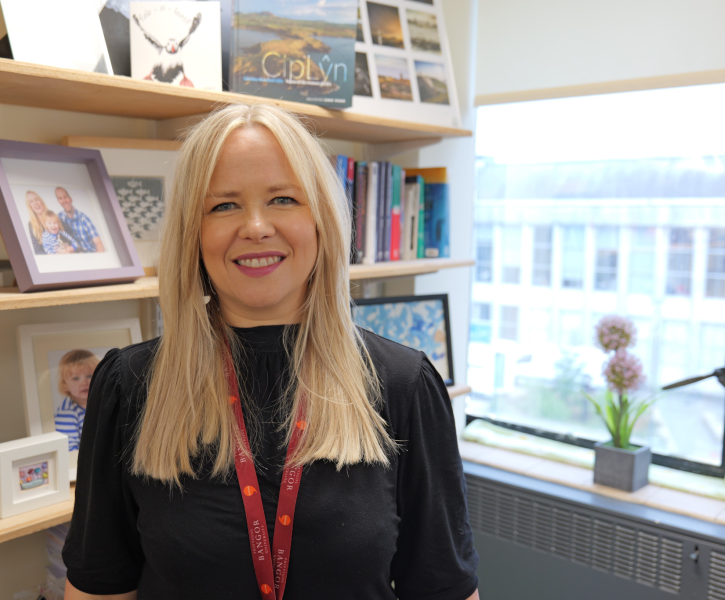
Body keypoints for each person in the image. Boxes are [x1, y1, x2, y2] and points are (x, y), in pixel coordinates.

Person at [62, 104, 479, 600]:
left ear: (321, 219)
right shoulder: (128, 385)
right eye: (223, 205)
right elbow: (99, 589)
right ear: (192, 236)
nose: (256, 227)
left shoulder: (404, 385)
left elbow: (444, 591)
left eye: (283, 199)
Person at [54, 349, 100, 452]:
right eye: (75, 378)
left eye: (89, 376)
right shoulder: (66, 413)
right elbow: (69, 450)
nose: (84, 382)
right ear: (65, 385)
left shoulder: (104, 403)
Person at [55, 187, 106, 253]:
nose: (64, 201)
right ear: (58, 201)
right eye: (60, 198)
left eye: (65, 197)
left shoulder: (83, 219)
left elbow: (99, 244)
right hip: (73, 255)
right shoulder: (59, 217)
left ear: (70, 199)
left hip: (90, 254)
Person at [24, 191, 50, 255]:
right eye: (31, 201)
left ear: (41, 201)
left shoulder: (54, 217)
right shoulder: (31, 225)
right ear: (30, 206)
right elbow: (37, 251)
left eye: (37, 200)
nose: (35, 203)